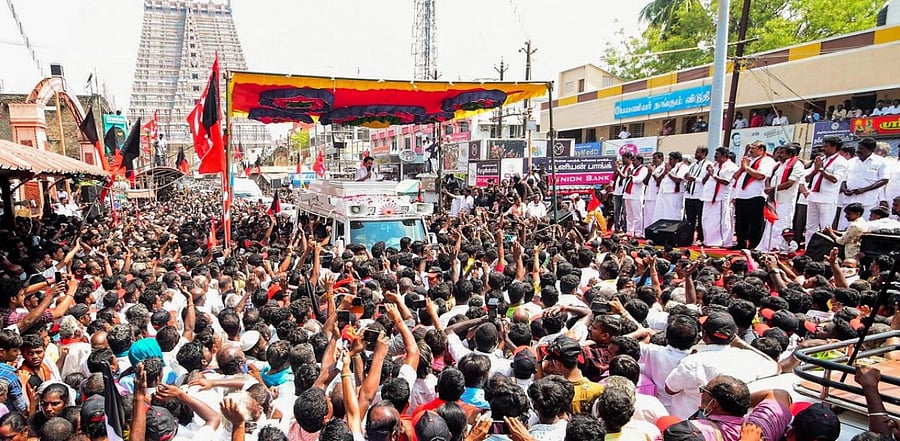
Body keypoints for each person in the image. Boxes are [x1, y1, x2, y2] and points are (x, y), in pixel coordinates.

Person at [758, 144, 804, 252]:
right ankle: (767, 247)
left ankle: (779, 248)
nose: (778, 155)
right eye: (778, 152)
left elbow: (790, 183)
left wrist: (773, 189)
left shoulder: (797, 165)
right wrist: (769, 188)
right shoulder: (777, 165)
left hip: (785, 201)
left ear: (790, 154)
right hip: (773, 199)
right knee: (770, 224)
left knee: (782, 225)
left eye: (781, 153)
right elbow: (768, 178)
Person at [731, 141, 776, 250]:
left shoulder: (767, 160)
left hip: (755, 195)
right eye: (750, 147)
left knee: (755, 223)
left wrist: (746, 167)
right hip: (741, 195)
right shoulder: (749, 161)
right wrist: (743, 167)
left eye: (753, 148)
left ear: (761, 150)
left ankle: (754, 245)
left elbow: (761, 176)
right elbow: (735, 176)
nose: (750, 150)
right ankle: (740, 243)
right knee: (741, 223)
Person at [805, 136, 849, 246]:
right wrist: (815, 169)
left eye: (826, 146)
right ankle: (808, 250)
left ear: (834, 147)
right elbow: (807, 178)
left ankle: (821, 253)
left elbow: (834, 179)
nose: (823, 148)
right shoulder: (822, 159)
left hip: (827, 198)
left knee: (825, 227)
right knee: (810, 226)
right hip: (813, 195)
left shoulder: (841, 162)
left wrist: (821, 169)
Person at [840, 138, 888, 226]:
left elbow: (884, 180)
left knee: (863, 228)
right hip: (849, 201)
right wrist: (844, 189)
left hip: (867, 202)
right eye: (858, 148)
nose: (858, 151)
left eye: (862, 149)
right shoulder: (851, 162)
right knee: (844, 227)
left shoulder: (880, 162)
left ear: (871, 150)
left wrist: (864, 189)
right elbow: (843, 180)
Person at [701, 148, 739, 247]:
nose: (715, 156)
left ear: (723, 155)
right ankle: (708, 240)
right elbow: (705, 180)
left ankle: (721, 242)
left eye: (717, 154)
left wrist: (713, 174)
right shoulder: (714, 165)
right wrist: (709, 173)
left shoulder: (731, 167)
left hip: (721, 198)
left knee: (721, 221)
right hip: (708, 196)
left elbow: (726, 181)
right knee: (707, 220)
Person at [684, 147, 711, 245]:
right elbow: (687, 176)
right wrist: (687, 177)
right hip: (689, 195)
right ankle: (689, 238)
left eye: (698, 152)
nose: (696, 154)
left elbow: (705, 180)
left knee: (700, 219)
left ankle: (700, 238)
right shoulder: (693, 165)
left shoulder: (708, 164)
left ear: (704, 153)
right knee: (690, 219)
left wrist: (694, 179)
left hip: (700, 195)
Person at [652, 152, 688, 222]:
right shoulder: (670, 167)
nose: (669, 161)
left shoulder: (683, 167)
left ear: (676, 160)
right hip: (663, 193)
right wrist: (665, 172)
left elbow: (678, 180)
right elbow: (658, 180)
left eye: (671, 159)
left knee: (673, 215)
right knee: (661, 214)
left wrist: (668, 173)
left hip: (674, 194)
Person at [624, 155, 648, 237]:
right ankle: (629, 230)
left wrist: (631, 175)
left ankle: (638, 232)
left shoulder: (644, 169)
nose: (633, 162)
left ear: (640, 161)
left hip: (636, 195)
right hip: (628, 194)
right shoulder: (633, 169)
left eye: (634, 160)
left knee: (637, 215)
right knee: (629, 215)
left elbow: (639, 179)